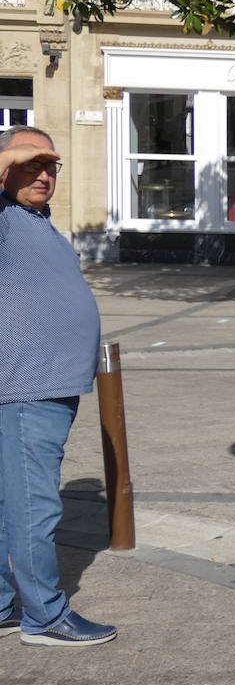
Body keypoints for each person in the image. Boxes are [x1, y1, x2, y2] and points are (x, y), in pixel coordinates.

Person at [0, 126, 116, 647]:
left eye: (52, 166)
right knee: (34, 505)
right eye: (32, 163)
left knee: (11, 504)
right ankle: (44, 616)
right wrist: (12, 154)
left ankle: (4, 604)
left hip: (43, 385)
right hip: (27, 387)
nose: (44, 173)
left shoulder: (33, 221)